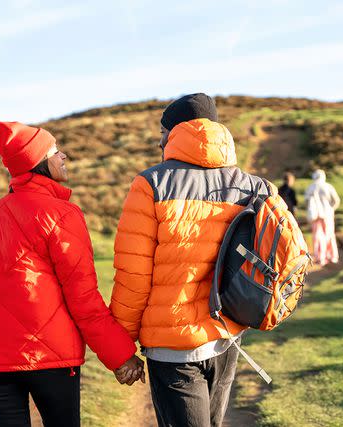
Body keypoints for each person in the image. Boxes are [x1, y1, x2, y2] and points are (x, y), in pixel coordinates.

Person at [0, 121, 144, 427]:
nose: (64, 156)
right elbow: (83, 300)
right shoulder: (61, 215)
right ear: (39, 163)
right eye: (55, 150)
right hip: (50, 359)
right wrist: (120, 357)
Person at [110, 93, 276, 427]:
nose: (159, 140)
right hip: (227, 333)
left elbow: (134, 275)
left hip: (171, 345)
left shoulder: (150, 184)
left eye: (162, 131)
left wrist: (121, 344)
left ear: (173, 133)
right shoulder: (256, 187)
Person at [305, 169, 340, 266]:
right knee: (329, 234)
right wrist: (331, 209)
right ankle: (332, 256)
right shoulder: (328, 186)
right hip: (328, 214)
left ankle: (320, 257)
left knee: (317, 236)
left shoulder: (311, 187)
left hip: (315, 215)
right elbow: (336, 200)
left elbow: (307, 202)